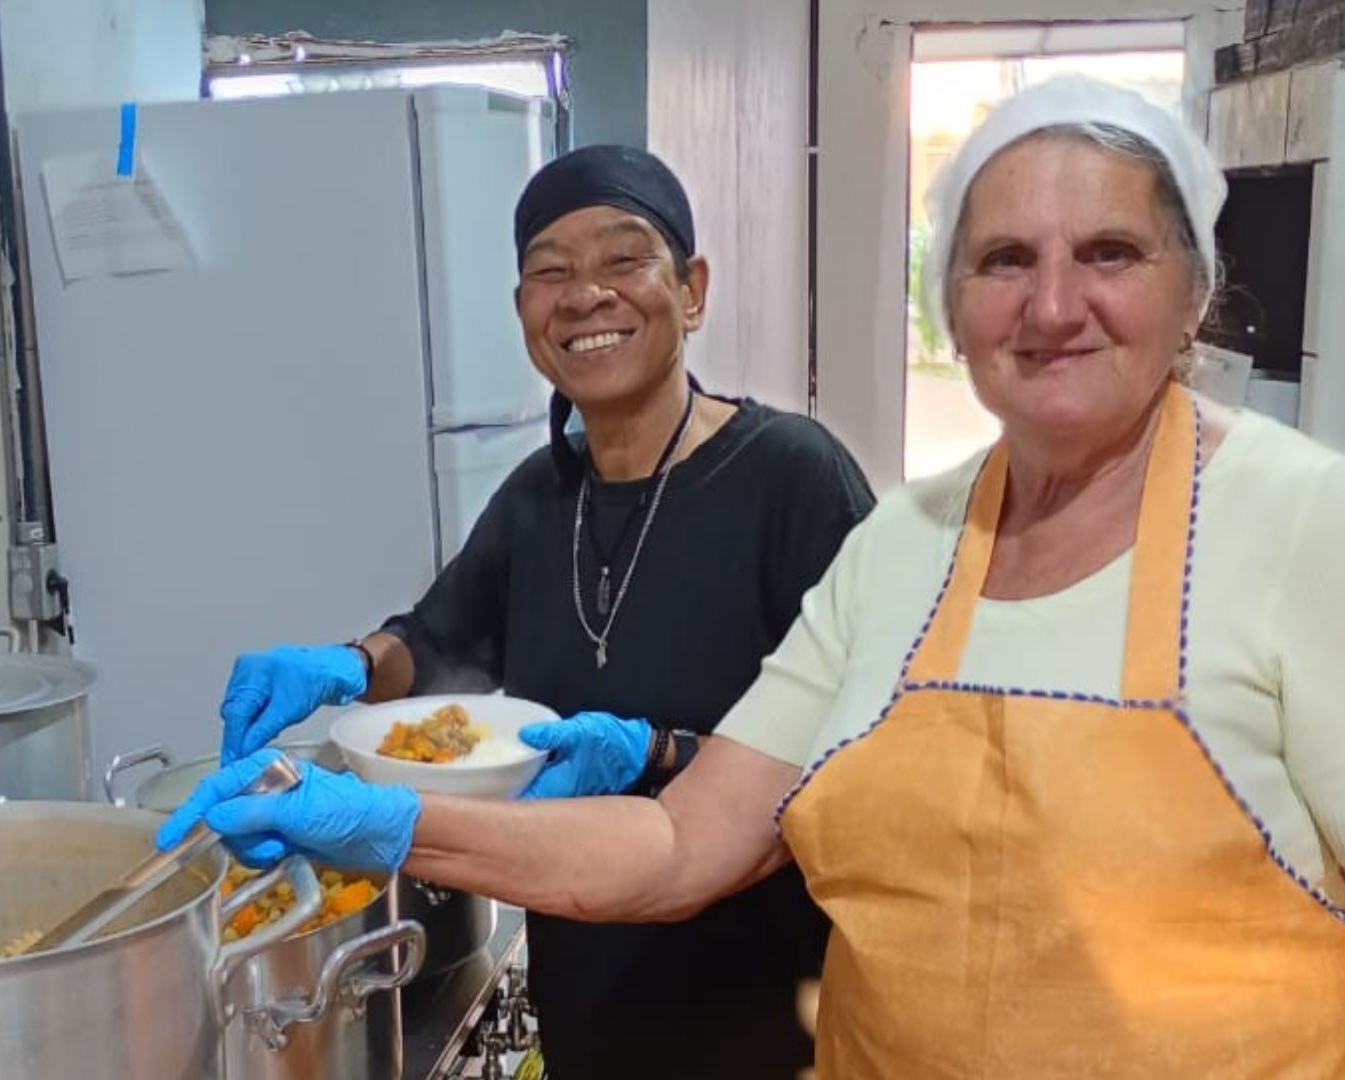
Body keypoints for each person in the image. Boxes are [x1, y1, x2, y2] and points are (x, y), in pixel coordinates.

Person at [163, 78, 1345, 1079]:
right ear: (953, 306)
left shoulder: (1307, 525)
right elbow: (676, 848)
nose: (1051, 304)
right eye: (1002, 261)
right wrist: (387, 823)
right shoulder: (903, 549)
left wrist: (649, 744)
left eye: (1111, 253)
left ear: (1193, 291)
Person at [209, 145, 875, 1079]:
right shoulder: (537, 498)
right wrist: (349, 666)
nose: (584, 295)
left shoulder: (794, 479)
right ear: (524, 312)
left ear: (692, 290)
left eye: (623, 259)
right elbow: (437, 642)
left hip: (772, 1010)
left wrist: (660, 754)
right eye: (549, 272)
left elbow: (869, 751)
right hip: (587, 992)